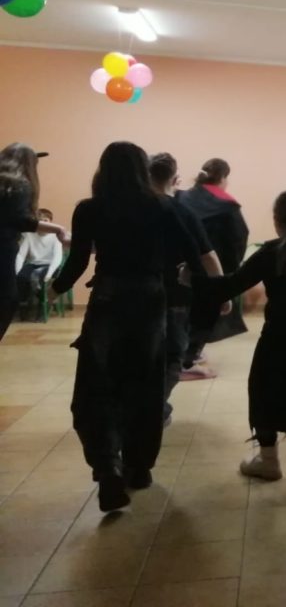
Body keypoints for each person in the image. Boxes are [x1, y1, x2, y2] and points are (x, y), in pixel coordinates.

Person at [50, 142, 204, 513]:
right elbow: (191, 253)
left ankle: (108, 468)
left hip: (107, 300)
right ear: (141, 170)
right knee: (145, 386)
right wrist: (199, 286)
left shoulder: (89, 209)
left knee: (97, 387)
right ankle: (140, 468)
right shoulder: (162, 207)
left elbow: (77, 261)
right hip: (150, 301)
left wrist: (54, 289)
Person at [186, 191, 286, 498]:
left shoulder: (270, 252)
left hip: (280, 332)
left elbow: (231, 286)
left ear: (277, 221)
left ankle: (269, 461)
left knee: (263, 389)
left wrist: (191, 279)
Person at [148, 154, 228, 425]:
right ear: (175, 178)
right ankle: (155, 410)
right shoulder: (180, 211)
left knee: (143, 355)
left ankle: (140, 408)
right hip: (175, 294)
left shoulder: (132, 210)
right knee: (173, 355)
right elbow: (208, 256)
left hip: (138, 294)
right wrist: (221, 292)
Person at [177, 158, 250, 377]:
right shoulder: (227, 206)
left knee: (181, 312)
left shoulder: (182, 197)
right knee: (205, 313)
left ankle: (185, 353)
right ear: (223, 177)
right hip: (211, 267)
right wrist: (230, 270)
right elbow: (238, 238)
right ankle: (188, 360)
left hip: (179, 267)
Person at [0, 144, 68, 341]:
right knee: (7, 300)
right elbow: (20, 220)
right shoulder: (19, 185)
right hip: (3, 250)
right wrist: (58, 229)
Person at [15, 207, 63, 321]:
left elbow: (57, 258)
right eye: (40, 221)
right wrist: (17, 272)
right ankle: (23, 305)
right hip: (34, 264)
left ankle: (43, 306)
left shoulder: (55, 236)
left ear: (50, 222)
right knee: (21, 277)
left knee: (38, 277)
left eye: (45, 220)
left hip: (50, 266)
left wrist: (49, 274)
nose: (43, 223)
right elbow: (20, 255)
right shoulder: (30, 235)